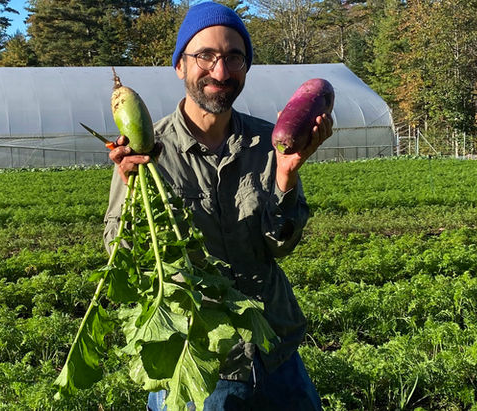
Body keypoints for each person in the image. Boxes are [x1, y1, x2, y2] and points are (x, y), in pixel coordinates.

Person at [103, 2, 332, 410]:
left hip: (273, 349)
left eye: (233, 57)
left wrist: (287, 177)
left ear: (246, 67)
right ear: (180, 66)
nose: (221, 72)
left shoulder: (268, 142)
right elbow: (121, 258)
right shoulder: (146, 154)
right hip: (200, 361)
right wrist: (136, 198)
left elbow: (280, 247)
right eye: (205, 56)